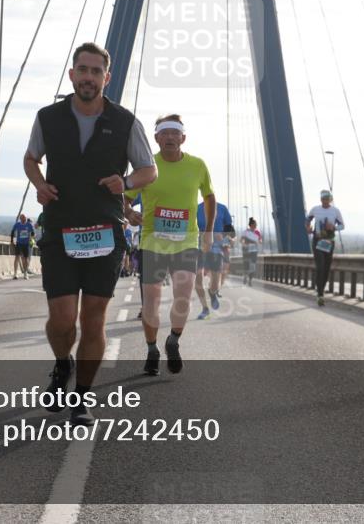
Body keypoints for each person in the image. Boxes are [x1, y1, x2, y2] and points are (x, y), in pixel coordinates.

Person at [24, 42, 156, 425]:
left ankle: (81, 396)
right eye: (82, 70)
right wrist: (38, 183)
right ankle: (62, 363)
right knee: (62, 319)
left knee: (94, 319)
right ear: (71, 74)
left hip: (105, 231)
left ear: (106, 77)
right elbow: (31, 158)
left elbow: (149, 170)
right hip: (60, 228)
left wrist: (127, 182)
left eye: (96, 71)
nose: (88, 77)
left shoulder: (126, 121)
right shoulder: (48, 117)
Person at [125, 114, 214, 375]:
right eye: (165, 133)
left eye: (175, 133)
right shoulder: (146, 167)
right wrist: (129, 213)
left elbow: (209, 195)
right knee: (151, 301)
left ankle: (173, 341)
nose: (170, 137)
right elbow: (125, 196)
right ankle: (152, 349)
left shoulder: (197, 165)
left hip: (186, 242)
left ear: (183, 138)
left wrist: (208, 231)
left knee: (183, 298)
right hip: (153, 242)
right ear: (156, 138)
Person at [193, 201, 233, 320]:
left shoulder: (222, 208)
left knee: (215, 282)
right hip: (198, 248)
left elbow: (230, 229)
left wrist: (226, 238)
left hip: (216, 249)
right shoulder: (196, 208)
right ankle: (205, 308)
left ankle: (212, 292)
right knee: (198, 277)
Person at [306, 190, 344, 306]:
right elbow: (308, 219)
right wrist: (308, 227)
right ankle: (320, 294)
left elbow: (342, 226)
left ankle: (320, 290)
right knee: (320, 266)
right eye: (323, 198)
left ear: (330, 199)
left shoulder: (335, 211)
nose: (325, 201)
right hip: (318, 241)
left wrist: (333, 227)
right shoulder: (315, 209)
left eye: (327, 198)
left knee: (326, 268)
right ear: (320, 199)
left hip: (329, 242)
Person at [10, 213, 34, 279]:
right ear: (20, 219)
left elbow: (33, 233)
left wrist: (31, 239)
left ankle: (25, 273)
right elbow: (12, 231)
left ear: (26, 218)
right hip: (19, 243)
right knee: (17, 257)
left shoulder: (29, 225)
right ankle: (15, 273)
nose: (23, 220)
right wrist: (12, 241)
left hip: (26, 244)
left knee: (25, 259)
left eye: (24, 218)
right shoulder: (17, 224)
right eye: (22, 218)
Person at [240, 218, 263, 285]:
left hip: (254, 251)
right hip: (246, 250)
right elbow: (241, 240)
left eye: (256, 225)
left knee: (253, 266)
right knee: (246, 265)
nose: (256, 226)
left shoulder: (257, 232)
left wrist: (259, 241)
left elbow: (260, 240)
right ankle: (245, 277)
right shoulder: (246, 232)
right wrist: (244, 244)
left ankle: (250, 280)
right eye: (255, 224)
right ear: (251, 225)